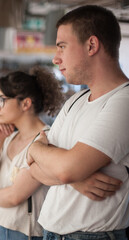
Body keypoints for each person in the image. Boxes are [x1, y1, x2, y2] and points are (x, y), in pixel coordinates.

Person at [27, 5, 129, 240]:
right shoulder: (78, 99)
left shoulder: (123, 101)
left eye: (62, 46)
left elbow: (65, 169)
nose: (55, 58)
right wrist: (75, 180)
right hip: (51, 232)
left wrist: (38, 148)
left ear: (91, 45)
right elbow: (32, 166)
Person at [0, 66, 64, 240]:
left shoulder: (45, 141)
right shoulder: (9, 137)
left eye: (1, 100)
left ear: (25, 103)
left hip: (24, 234)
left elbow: (15, 196)